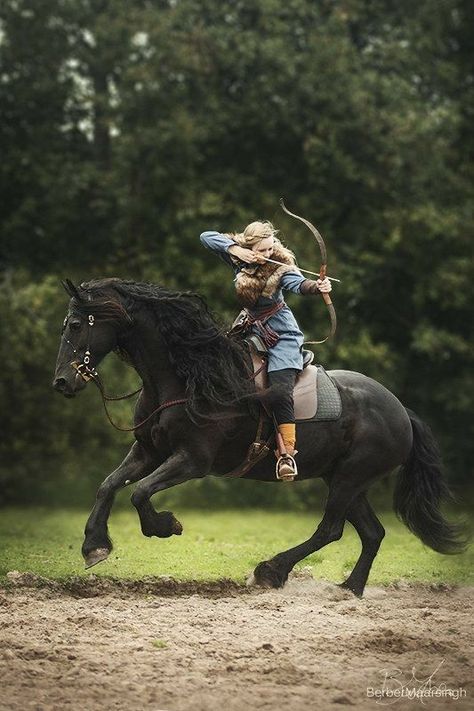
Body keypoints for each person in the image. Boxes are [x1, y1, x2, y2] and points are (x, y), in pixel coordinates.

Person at [200, 220, 332, 479]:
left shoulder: (281, 266)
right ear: (249, 247)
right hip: (248, 330)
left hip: (281, 335)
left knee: (281, 392)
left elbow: (299, 284)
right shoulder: (239, 257)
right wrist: (235, 250)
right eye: (263, 250)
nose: (269, 254)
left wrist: (317, 287)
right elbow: (206, 236)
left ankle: (286, 455)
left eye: (271, 248)